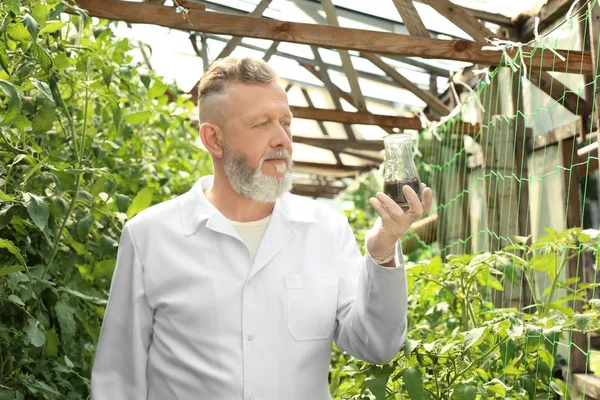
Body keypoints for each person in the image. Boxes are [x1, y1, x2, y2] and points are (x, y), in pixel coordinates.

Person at [90, 56, 432, 400]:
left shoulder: (325, 230)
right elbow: (118, 379)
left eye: (286, 123)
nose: (281, 138)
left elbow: (377, 344)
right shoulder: (151, 236)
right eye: (261, 124)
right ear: (214, 139)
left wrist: (383, 254)